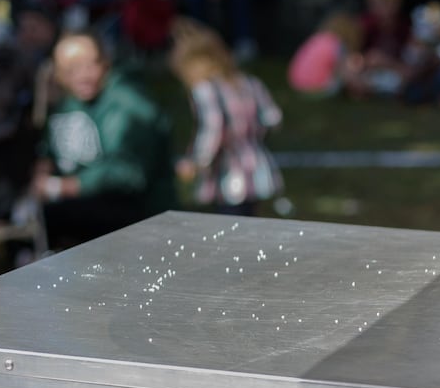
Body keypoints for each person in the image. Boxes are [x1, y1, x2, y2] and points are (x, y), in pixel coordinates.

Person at [36, 32, 178, 250]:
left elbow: (129, 173)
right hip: (92, 211)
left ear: (105, 63)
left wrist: (65, 187)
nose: (82, 75)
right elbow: (52, 150)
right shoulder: (70, 101)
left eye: (90, 65)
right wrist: (43, 168)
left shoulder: (128, 104)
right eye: (71, 69)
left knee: (51, 218)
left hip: (139, 216)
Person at [168, 19, 282, 216]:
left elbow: (213, 128)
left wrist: (197, 161)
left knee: (230, 224)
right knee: (250, 221)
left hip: (229, 173)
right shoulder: (249, 83)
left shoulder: (206, 90)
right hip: (256, 166)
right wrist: (252, 136)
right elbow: (272, 118)